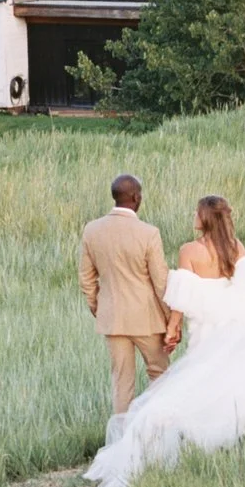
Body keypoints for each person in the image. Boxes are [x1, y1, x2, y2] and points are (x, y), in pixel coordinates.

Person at [84, 194, 245, 487]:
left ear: (205, 219)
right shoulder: (235, 247)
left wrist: (172, 327)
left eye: (197, 213)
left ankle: (175, 438)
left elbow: (182, 296)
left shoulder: (190, 250)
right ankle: (224, 438)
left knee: (199, 381)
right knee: (224, 381)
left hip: (210, 325)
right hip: (234, 321)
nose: (193, 217)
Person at [77, 174, 171, 417]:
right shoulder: (148, 233)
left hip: (112, 318)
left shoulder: (92, 229)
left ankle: (121, 442)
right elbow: (160, 281)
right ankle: (155, 432)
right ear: (136, 197)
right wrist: (171, 319)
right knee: (160, 375)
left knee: (121, 384)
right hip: (147, 318)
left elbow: (86, 278)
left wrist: (99, 307)